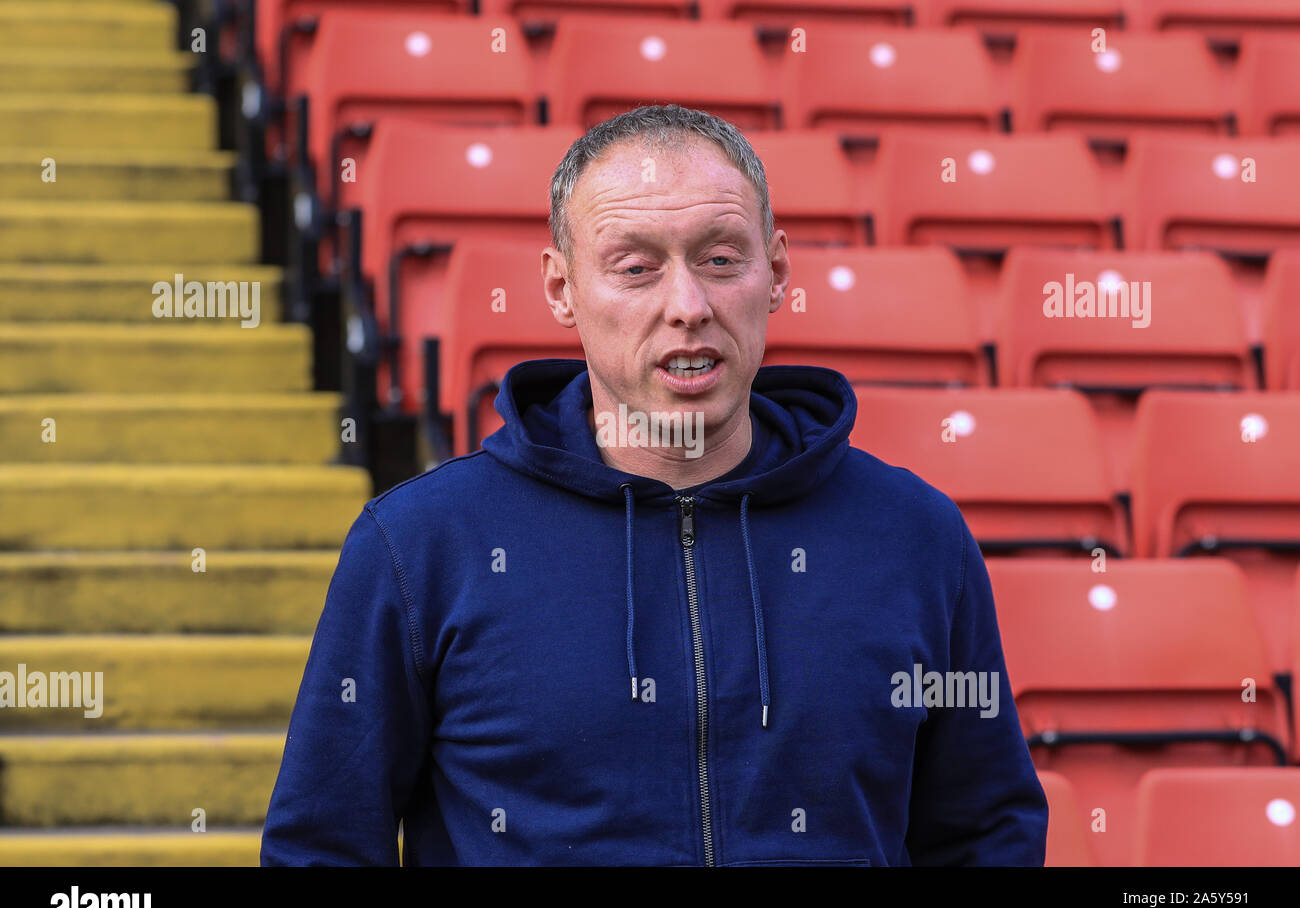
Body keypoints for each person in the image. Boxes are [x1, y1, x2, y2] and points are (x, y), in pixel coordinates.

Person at [261, 104, 1048, 866]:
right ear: (562, 289)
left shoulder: (914, 537)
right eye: (636, 269)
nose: (688, 307)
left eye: (720, 259)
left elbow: (985, 833)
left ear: (774, 272)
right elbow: (323, 846)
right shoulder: (422, 546)